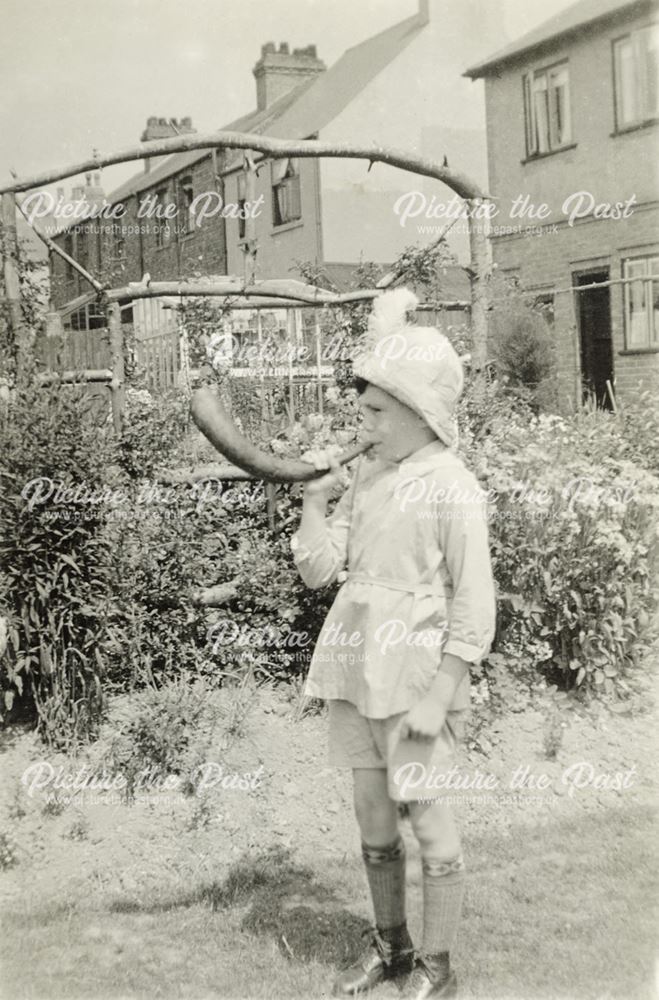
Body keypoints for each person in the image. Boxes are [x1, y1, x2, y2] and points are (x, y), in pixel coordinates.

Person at [290, 288, 496, 1000]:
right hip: (356, 665)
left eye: (376, 411)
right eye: (363, 410)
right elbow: (321, 570)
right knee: (372, 814)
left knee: (427, 818)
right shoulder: (371, 478)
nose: (363, 423)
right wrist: (316, 506)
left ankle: (437, 965)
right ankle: (393, 948)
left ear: (419, 413)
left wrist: (440, 696)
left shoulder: (450, 487)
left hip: (415, 674)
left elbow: (474, 602)